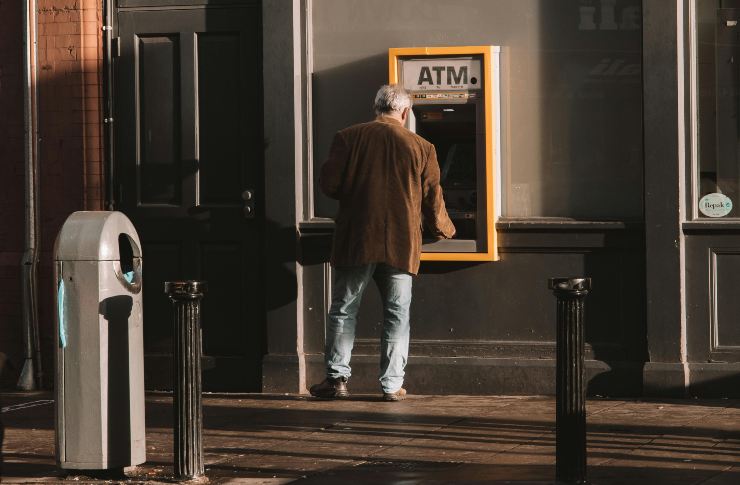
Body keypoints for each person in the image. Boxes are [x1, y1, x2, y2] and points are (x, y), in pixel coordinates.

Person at [310, 84, 456, 402]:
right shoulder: (423, 146)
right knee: (397, 313)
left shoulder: (347, 137)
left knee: (344, 309)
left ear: (376, 107)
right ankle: (391, 385)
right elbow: (433, 199)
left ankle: (337, 379)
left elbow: (330, 186)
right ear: (405, 112)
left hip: (358, 239)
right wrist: (445, 229)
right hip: (402, 243)